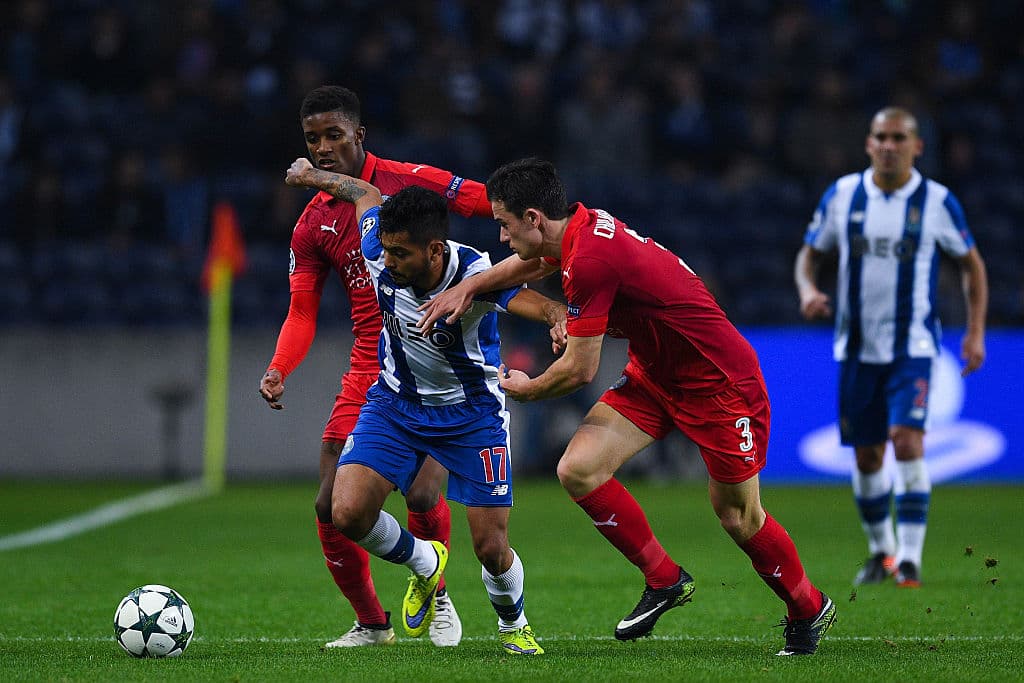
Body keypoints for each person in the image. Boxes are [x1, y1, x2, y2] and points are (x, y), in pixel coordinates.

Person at [418, 157, 836, 656]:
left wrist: (526, 390)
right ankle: (664, 579)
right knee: (578, 469)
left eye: (505, 225)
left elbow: (578, 370)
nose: (502, 238)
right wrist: (469, 285)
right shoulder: (575, 233)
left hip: (719, 385)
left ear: (533, 218)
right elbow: (533, 263)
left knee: (737, 515)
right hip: (656, 375)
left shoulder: (590, 258)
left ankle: (809, 607)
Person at [285, 159, 565, 654]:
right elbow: (364, 191)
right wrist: (312, 177)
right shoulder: (377, 247)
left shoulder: (475, 271)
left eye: (401, 254)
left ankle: (513, 625)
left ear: (435, 250)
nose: (387, 263)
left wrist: (556, 316)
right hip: (395, 406)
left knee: (491, 548)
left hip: (472, 416)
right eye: (386, 251)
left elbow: (530, 299)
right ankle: (425, 562)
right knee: (343, 511)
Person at [258, 85, 497, 648]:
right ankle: (373, 621)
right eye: (312, 139)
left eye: (332, 135)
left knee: (420, 496)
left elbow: (485, 202)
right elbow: (301, 311)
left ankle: (439, 599)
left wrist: (549, 226)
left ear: (359, 135)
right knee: (328, 505)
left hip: (441, 362)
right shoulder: (311, 227)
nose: (321, 148)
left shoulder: (406, 180)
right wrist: (279, 366)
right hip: (371, 366)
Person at [794, 107, 988, 588]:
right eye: (881, 137)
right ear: (868, 144)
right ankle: (881, 552)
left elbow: (972, 265)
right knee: (866, 457)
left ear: (917, 146)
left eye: (899, 137)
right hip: (856, 348)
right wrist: (807, 290)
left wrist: (976, 330)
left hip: (913, 345)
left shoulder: (937, 201)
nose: (888, 145)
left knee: (907, 441)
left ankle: (910, 561)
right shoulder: (843, 195)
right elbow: (809, 254)